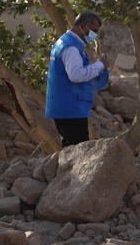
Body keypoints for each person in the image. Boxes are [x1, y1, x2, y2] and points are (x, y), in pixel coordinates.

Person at [45, 11, 110, 147]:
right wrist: (100, 65)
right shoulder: (71, 48)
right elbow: (76, 75)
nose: (94, 35)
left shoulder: (63, 42)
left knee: (70, 149)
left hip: (65, 107)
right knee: (77, 151)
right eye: (93, 31)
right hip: (70, 108)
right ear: (82, 26)